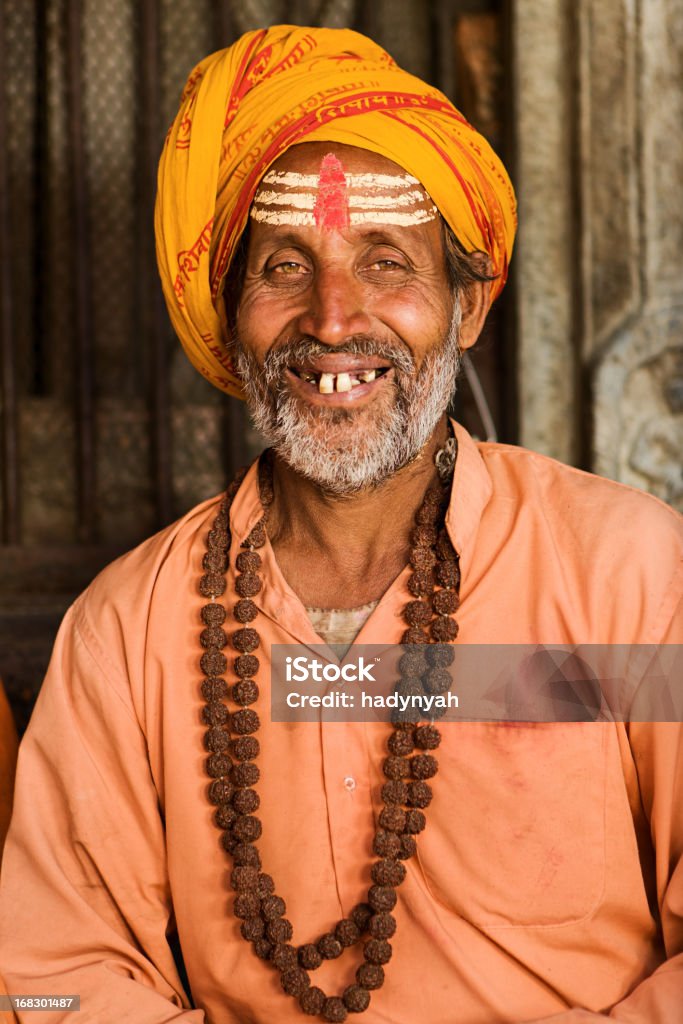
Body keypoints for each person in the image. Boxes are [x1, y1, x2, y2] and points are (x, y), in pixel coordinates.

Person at [0, 24, 681, 1024]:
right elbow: (54, 974)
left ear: (467, 305)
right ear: (228, 315)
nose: (331, 317)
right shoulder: (124, 636)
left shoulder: (629, 576)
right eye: (283, 266)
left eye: (386, 262)